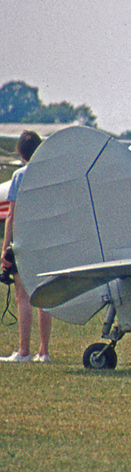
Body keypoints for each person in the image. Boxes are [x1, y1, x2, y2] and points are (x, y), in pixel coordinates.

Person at [1, 131, 52, 363]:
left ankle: (24, 350)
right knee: (45, 297)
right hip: (48, 240)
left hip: (26, 239)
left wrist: (5, 248)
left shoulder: (20, 175)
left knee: (23, 296)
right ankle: (44, 351)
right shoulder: (49, 175)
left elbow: (11, 214)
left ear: (21, 154)